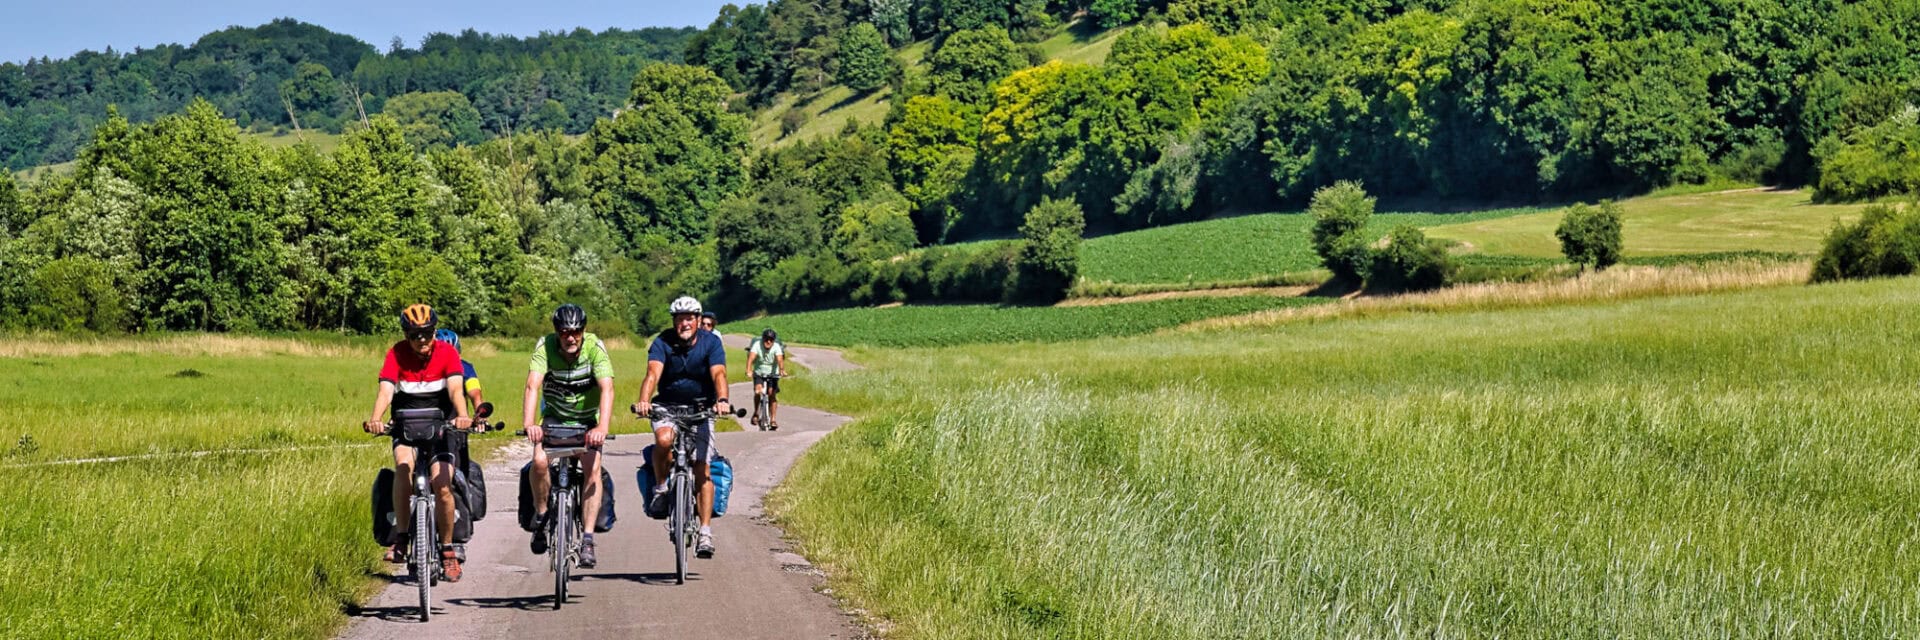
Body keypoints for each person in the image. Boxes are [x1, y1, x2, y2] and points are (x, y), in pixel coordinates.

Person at [362, 304, 473, 582]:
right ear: (406, 334)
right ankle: (401, 538)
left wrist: (462, 416)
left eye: (426, 333)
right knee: (402, 468)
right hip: (406, 424)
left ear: (434, 332)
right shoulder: (396, 353)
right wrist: (376, 418)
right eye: (414, 335)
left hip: (441, 425)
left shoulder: (447, 353)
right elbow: (386, 390)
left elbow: (457, 389)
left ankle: (448, 551)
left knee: (442, 484)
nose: (421, 340)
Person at [632, 296, 732, 558]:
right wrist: (644, 401)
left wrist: (722, 401)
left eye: (689, 318)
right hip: (667, 406)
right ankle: (663, 487)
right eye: (679, 319)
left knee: (702, 467)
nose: (684, 323)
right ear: (674, 322)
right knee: (664, 440)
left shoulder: (711, 342)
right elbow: (653, 373)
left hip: (702, 409)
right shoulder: (662, 341)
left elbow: (719, 374)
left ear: (698, 321)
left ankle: (705, 532)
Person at [522, 303, 616, 568]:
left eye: (576, 331)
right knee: (539, 462)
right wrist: (530, 423)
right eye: (565, 332)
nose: (571, 337)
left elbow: (607, 389)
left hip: (587, 420)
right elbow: (532, 385)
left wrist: (602, 428)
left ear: (584, 331)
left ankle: (587, 538)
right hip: (554, 418)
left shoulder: (595, 348)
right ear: (557, 332)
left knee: (592, 469)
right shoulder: (545, 346)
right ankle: (541, 516)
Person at [746, 328, 788, 430]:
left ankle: (773, 419)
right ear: (763, 339)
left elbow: (779, 359)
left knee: (771, 394)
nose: (768, 342)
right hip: (759, 372)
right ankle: (756, 413)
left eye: (771, 340)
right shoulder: (757, 345)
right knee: (757, 391)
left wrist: (782, 370)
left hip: (773, 373)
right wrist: (748, 370)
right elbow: (751, 358)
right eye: (766, 339)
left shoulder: (776, 347)